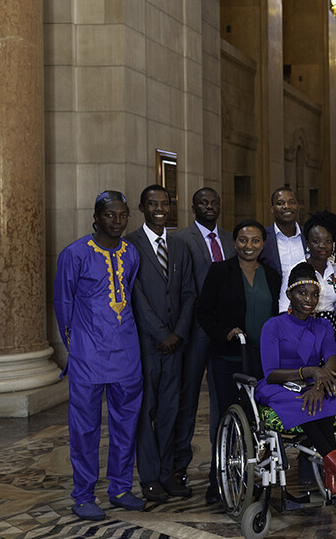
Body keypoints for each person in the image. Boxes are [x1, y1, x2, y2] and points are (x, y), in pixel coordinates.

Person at [54, 191, 146, 520]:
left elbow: (128, 296)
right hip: (87, 357)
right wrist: (74, 347)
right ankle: (83, 494)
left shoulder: (131, 254)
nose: (117, 221)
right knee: (85, 429)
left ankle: (120, 487)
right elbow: (63, 307)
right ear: (97, 217)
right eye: (110, 215)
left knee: (126, 425)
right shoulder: (74, 254)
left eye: (122, 215)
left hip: (126, 355)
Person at [255, 262, 336, 497]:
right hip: (278, 388)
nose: (309, 299)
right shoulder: (273, 325)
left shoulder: (322, 325)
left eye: (314, 294)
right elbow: (270, 373)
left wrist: (319, 384)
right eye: (302, 292)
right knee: (306, 404)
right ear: (289, 294)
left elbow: (333, 358)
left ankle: (332, 478)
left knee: (324, 402)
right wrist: (310, 372)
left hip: (314, 386)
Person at [195, 219, 281, 503]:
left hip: (262, 361)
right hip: (229, 358)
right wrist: (226, 332)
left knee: (257, 424)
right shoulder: (220, 271)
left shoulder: (271, 275)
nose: (249, 246)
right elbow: (204, 313)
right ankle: (218, 483)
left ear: (263, 244)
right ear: (235, 243)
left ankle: (252, 479)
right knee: (228, 418)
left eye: (255, 240)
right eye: (243, 240)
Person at [125, 185, 196, 503]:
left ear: (171, 207)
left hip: (176, 345)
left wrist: (178, 333)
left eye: (164, 204)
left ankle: (168, 473)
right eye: (152, 203)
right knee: (146, 410)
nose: (158, 208)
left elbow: (189, 293)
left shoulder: (180, 244)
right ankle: (150, 477)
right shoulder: (131, 245)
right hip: (147, 345)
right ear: (142, 207)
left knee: (170, 410)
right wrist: (161, 334)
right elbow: (134, 295)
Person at [173, 187, 235, 501]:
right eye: (203, 202)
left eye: (214, 201)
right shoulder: (181, 240)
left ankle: (221, 467)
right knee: (188, 402)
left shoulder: (229, 239)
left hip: (225, 335)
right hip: (196, 333)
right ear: (192, 205)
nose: (209, 206)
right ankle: (179, 466)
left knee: (222, 404)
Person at [301, 211, 336, 409]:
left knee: (333, 381)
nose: (322, 245)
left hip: (330, 331)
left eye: (328, 241)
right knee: (310, 380)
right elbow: (283, 308)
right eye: (316, 240)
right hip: (305, 327)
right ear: (308, 242)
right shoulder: (299, 269)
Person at [258, 186, 306, 313]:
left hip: (307, 308)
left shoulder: (309, 236)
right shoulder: (262, 238)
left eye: (291, 202)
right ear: (272, 209)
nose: (286, 206)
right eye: (280, 203)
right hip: (271, 309)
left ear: (298, 207)